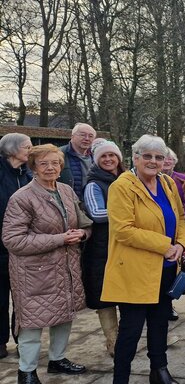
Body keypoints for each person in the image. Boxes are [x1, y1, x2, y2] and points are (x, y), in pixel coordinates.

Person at [101, 135, 185, 384]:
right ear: (135, 158)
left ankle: (159, 371)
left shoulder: (168, 183)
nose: (153, 161)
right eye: (147, 156)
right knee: (131, 329)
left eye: (159, 157)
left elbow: (181, 217)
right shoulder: (122, 186)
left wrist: (181, 244)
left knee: (160, 322)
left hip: (166, 267)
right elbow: (123, 230)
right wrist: (165, 245)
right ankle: (121, 379)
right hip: (135, 270)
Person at [3, 144, 91, 383]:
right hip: (34, 272)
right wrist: (60, 239)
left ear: (61, 166)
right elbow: (13, 239)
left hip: (66, 268)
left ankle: (57, 359)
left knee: (64, 315)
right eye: (44, 163)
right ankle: (27, 371)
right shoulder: (22, 198)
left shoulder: (66, 190)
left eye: (55, 163)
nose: (50, 167)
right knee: (32, 323)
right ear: (33, 167)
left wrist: (82, 235)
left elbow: (84, 223)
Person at [82, 139, 125, 357]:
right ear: (97, 161)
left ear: (119, 158)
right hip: (102, 248)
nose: (108, 159)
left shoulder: (128, 179)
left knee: (127, 294)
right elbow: (97, 214)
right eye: (103, 157)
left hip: (125, 246)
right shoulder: (94, 184)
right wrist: (127, 216)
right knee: (105, 297)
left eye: (112, 156)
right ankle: (113, 343)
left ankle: (127, 339)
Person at [0, 133, 33, 360]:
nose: (31, 150)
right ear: (12, 150)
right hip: (0, 247)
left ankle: (23, 341)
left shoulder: (28, 174)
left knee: (23, 297)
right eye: (27, 147)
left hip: (24, 246)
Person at [58, 122, 96, 198]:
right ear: (72, 136)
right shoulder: (59, 155)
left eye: (91, 136)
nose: (87, 139)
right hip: (67, 202)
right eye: (82, 135)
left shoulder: (97, 157)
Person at [162, 149, 185, 216]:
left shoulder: (183, 179)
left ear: (174, 163)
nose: (167, 161)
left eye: (170, 159)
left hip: (179, 215)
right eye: (164, 159)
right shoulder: (152, 178)